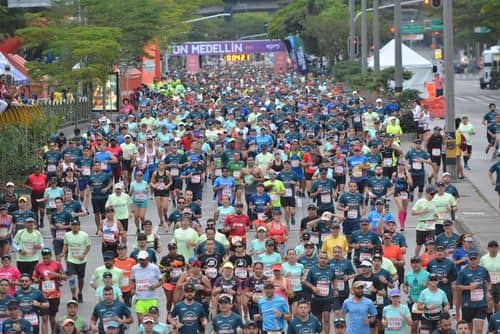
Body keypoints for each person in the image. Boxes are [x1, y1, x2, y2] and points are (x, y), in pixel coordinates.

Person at [456, 251, 491, 334]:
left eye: (475, 258)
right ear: (468, 260)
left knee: (479, 329)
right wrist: (469, 287)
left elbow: (489, 282)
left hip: (481, 304)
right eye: (471, 259)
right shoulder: (463, 272)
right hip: (467, 304)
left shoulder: (483, 270)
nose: (473, 261)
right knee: (469, 330)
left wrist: (488, 292)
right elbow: (457, 286)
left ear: (478, 259)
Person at [32, 248, 66, 334]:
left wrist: (56, 275)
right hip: (42, 296)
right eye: (44, 258)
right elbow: (34, 278)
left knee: (52, 317)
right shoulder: (38, 265)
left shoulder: (57, 264)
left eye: (47, 258)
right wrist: (38, 280)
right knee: (44, 318)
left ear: (51, 256)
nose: (45, 260)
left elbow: (65, 277)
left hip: (54, 295)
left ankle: (53, 332)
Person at [302, 251, 335, 334]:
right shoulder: (312, 270)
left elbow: (334, 279)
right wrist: (313, 287)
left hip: (327, 298)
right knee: (318, 319)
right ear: (318, 259)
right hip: (316, 299)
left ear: (328, 260)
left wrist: (336, 289)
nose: (323, 260)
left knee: (327, 319)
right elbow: (305, 282)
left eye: (325, 258)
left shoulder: (331, 269)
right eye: (321, 258)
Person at [62, 218, 91, 303]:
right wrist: (63, 252)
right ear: (71, 226)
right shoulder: (67, 235)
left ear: (79, 226)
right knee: (72, 278)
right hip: (71, 260)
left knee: (80, 279)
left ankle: (80, 292)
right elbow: (66, 245)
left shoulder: (84, 235)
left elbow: (88, 246)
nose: (75, 227)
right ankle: (73, 295)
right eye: (73, 225)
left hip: (81, 261)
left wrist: (83, 255)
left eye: (76, 225)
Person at [131, 250, 163, 323]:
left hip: (151, 298)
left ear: (147, 259)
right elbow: (132, 279)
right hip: (139, 298)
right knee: (141, 321)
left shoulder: (154, 268)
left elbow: (161, 280)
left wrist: (154, 286)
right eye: (140, 260)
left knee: (152, 321)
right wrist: (133, 288)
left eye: (143, 260)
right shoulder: (134, 268)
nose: (141, 261)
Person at [411, 186, 438, 257]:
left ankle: (429, 257)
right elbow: (413, 213)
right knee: (419, 244)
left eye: (434, 194)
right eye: (431, 194)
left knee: (430, 244)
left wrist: (436, 216)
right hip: (421, 225)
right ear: (426, 193)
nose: (433, 196)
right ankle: (416, 257)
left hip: (431, 225)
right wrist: (422, 211)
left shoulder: (434, 202)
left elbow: (435, 212)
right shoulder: (420, 201)